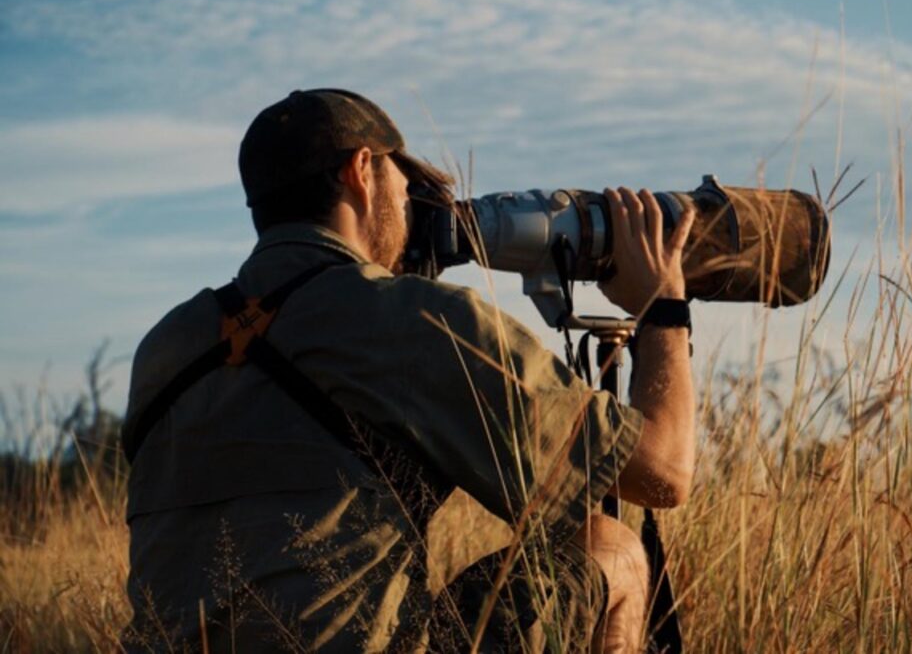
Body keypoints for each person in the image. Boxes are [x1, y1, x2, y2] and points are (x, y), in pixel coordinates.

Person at [120, 88, 697, 653]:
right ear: (360, 170)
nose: (411, 206)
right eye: (407, 185)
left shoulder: (168, 342)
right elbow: (663, 471)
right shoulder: (406, 318)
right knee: (609, 547)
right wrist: (663, 307)